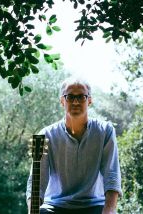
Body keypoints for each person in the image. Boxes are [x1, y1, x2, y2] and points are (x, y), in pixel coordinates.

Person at [26, 77, 122, 214]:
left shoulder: (106, 131)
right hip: (55, 206)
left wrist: (109, 210)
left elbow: (111, 174)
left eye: (81, 97)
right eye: (70, 96)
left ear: (89, 100)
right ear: (62, 101)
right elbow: (37, 181)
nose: (75, 101)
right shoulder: (44, 135)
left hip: (94, 205)